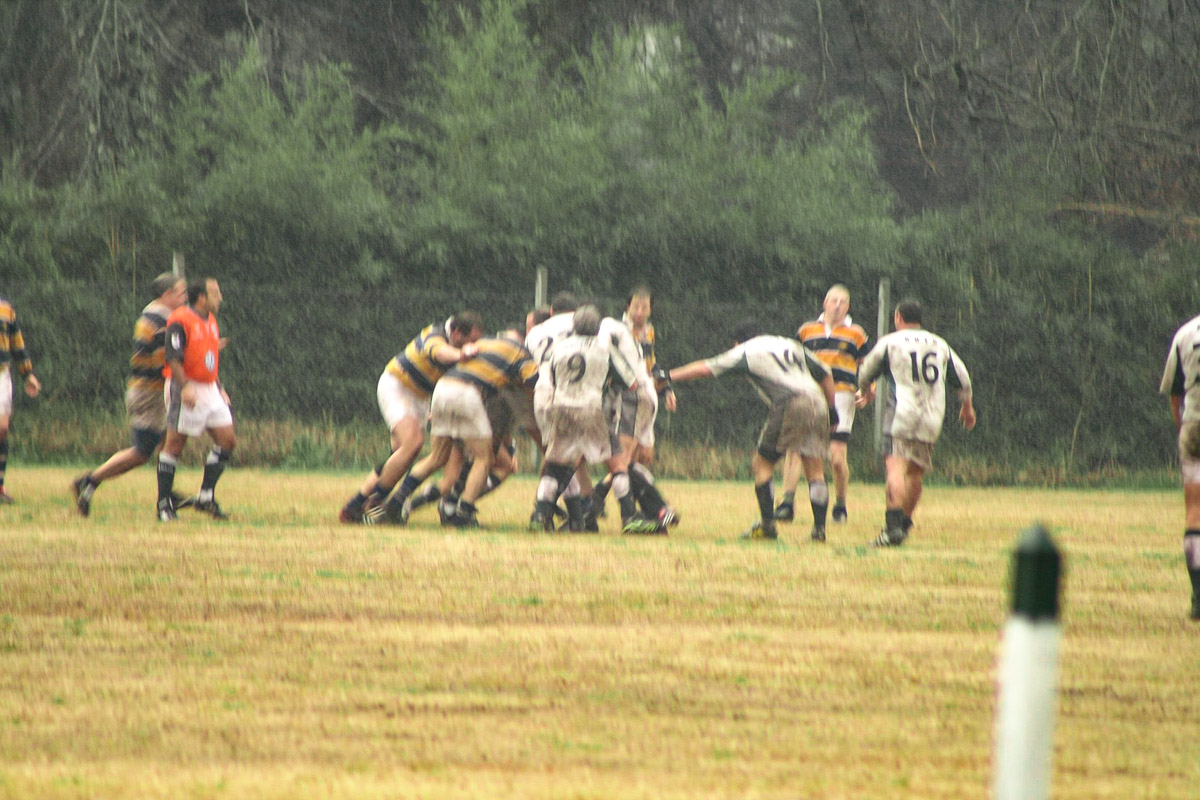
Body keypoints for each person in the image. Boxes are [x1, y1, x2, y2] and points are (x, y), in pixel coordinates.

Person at [669, 320, 838, 541]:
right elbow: (825, 373)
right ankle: (819, 531)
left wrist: (668, 376)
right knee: (815, 469)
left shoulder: (747, 350)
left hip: (791, 402)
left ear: (738, 342)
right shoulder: (789, 344)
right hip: (818, 401)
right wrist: (833, 410)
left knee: (762, 464)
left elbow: (706, 368)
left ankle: (768, 526)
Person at [374, 326, 539, 527]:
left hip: (442, 389)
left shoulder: (485, 343)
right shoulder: (521, 353)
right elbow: (535, 386)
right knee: (484, 458)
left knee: (436, 457)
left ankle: (397, 501)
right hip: (466, 394)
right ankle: (463, 514)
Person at [338, 312, 484, 523]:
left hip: (421, 397)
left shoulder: (457, 341)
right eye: (471, 341)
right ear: (457, 333)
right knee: (413, 443)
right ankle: (376, 501)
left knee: (399, 456)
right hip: (398, 386)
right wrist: (461, 355)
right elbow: (440, 353)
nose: (472, 345)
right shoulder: (435, 335)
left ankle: (353, 507)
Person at [855, 299, 976, 547]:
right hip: (932, 416)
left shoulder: (891, 342)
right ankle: (904, 524)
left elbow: (866, 370)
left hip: (902, 413)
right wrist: (967, 408)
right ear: (920, 320)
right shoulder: (939, 343)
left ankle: (891, 529)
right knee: (916, 472)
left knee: (896, 469)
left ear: (898, 317)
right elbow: (962, 378)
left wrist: (866, 390)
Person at [72, 273, 187, 516]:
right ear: (167, 295)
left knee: (168, 444)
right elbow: (174, 355)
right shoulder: (159, 319)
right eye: (181, 293)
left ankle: (165, 496)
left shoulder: (157, 316)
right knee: (142, 451)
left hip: (153, 391)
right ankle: (90, 480)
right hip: (148, 393)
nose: (185, 297)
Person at [530, 305, 640, 532]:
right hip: (592, 409)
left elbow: (546, 378)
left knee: (554, 464)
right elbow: (632, 383)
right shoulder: (605, 347)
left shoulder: (558, 348)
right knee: (617, 463)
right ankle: (630, 516)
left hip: (561, 407)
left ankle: (540, 515)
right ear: (598, 327)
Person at [777, 284, 868, 525]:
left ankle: (840, 504)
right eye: (833, 301)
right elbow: (793, 361)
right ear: (824, 303)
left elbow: (868, 364)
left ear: (848, 306)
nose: (837, 306)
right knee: (796, 448)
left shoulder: (856, 333)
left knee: (836, 456)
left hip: (841, 396)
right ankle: (786, 503)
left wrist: (868, 391)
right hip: (808, 395)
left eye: (843, 302)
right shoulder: (807, 330)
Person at [155, 278, 235, 522]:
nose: (220, 296)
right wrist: (186, 386)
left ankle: (205, 496)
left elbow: (207, 358)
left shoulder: (210, 320)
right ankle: (164, 504)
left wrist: (219, 386)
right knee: (175, 444)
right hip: (186, 386)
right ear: (201, 297)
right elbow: (173, 356)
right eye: (215, 292)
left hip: (209, 389)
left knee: (227, 440)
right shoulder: (180, 319)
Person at [1159, 311, 1200, 620]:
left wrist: (1182, 426)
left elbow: (1175, 393)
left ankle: (1199, 598)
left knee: (1194, 509)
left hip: (1194, 425)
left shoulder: (1185, 333)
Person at [0, 294, 42, 503]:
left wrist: (28, 373)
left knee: (2, 429)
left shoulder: (5, 307)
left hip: (1, 373)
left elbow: (16, 342)